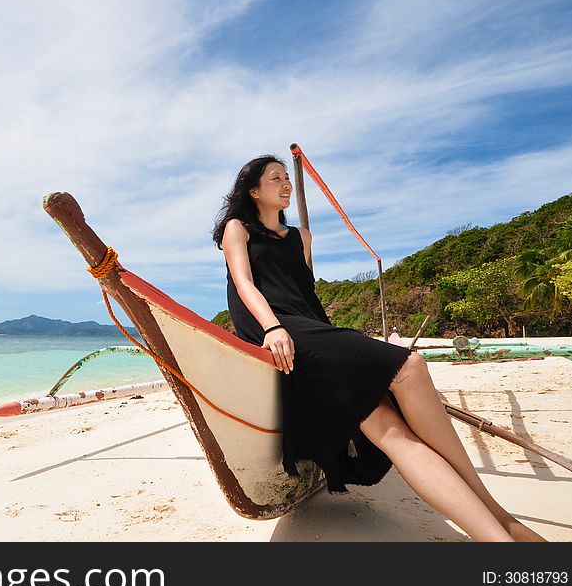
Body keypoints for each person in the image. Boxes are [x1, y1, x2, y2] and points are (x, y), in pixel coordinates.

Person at [213, 154, 546, 542]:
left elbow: (307, 295)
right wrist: (271, 327)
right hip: (278, 333)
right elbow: (244, 284)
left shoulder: (302, 237)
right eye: (275, 179)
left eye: (288, 178)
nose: (286, 184)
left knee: (397, 434)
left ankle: (501, 533)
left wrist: (333, 341)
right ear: (253, 190)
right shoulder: (238, 229)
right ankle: (500, 517)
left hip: (313, 334)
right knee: (412, 365)